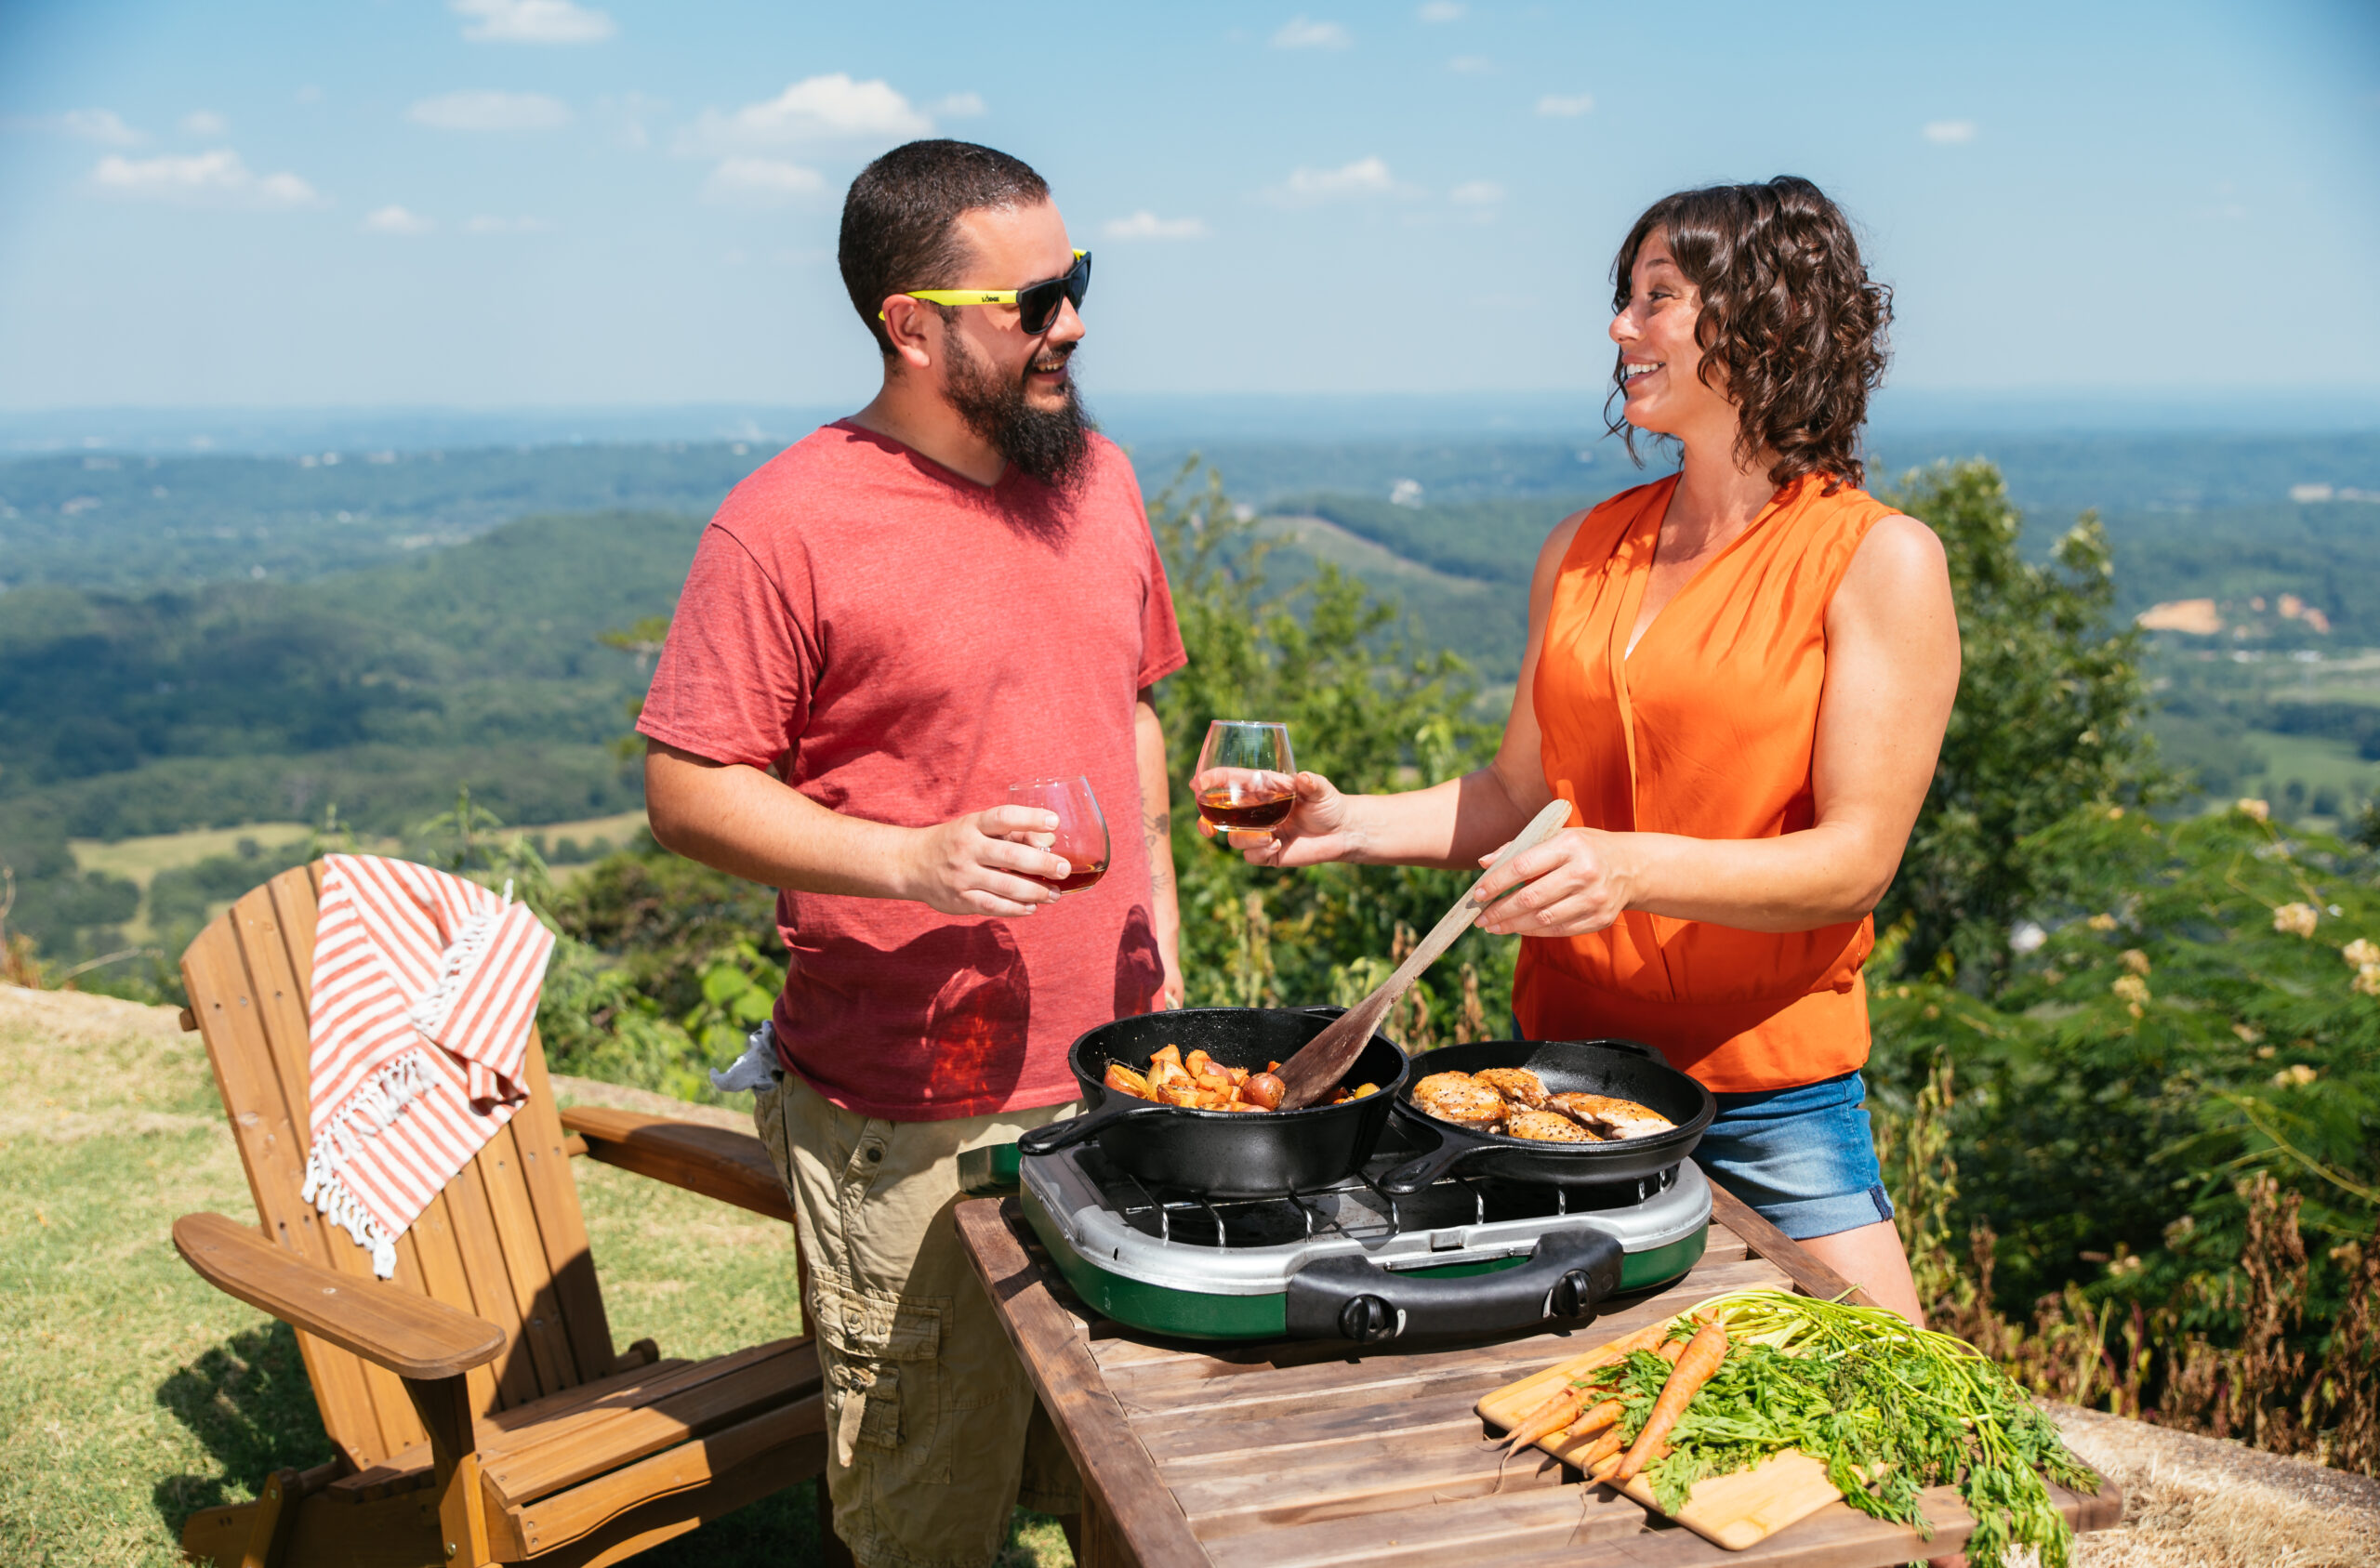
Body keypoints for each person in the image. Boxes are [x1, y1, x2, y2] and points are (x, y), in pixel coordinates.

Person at [1236, 177, 1958, 1325]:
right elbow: (1522, 794)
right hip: (1549, 1090)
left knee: (1902, 1439)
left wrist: (1628, 865)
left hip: (1768, 1100)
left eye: (1657, 299)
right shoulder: (1581, 548)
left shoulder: (1878, 560)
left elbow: (1854, 863)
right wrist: (1350, 823)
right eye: (1624, 299)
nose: (1621, 328)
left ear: (1764, 317)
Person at [636, 138, 1186, 1568]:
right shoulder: (786, 522)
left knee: (1137, 1491)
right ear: (914, 321)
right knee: (925, 1517)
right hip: (911, 1119)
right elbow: (689, 788)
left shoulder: (1103, 480)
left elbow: (1130, 713)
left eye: (1080, 281)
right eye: (1037, 297)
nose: (1072, 319)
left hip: (1119, 1087)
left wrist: (1163, 951)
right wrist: (909, 859)